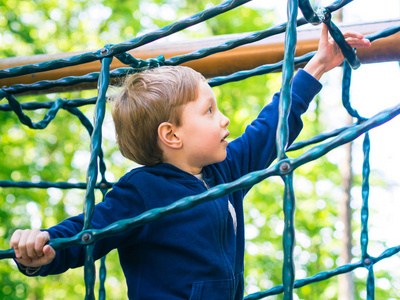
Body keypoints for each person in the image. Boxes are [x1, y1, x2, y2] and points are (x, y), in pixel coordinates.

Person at [9, 24, 370, 299]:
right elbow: (89, 230)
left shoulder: (224, 173)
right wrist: (43, 249)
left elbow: (268, 130)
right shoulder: (142, 191)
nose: (224, 119)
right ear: (172, 135)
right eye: (209, 111)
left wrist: (317, 67)